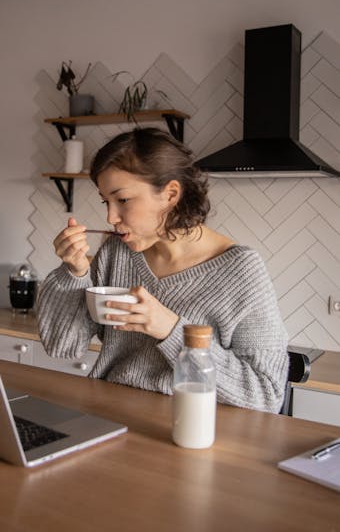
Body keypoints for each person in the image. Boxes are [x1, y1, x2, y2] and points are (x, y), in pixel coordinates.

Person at [37, 127, 289, 413]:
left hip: (187, 430)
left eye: (122, 200)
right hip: (107, 417)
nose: (110, 217)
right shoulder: (116, 253)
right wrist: (74, 273)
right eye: (106, 201)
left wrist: (171, 330)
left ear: (170, 194)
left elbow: (266, 395)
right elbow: (62, 346)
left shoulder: (241, 273)